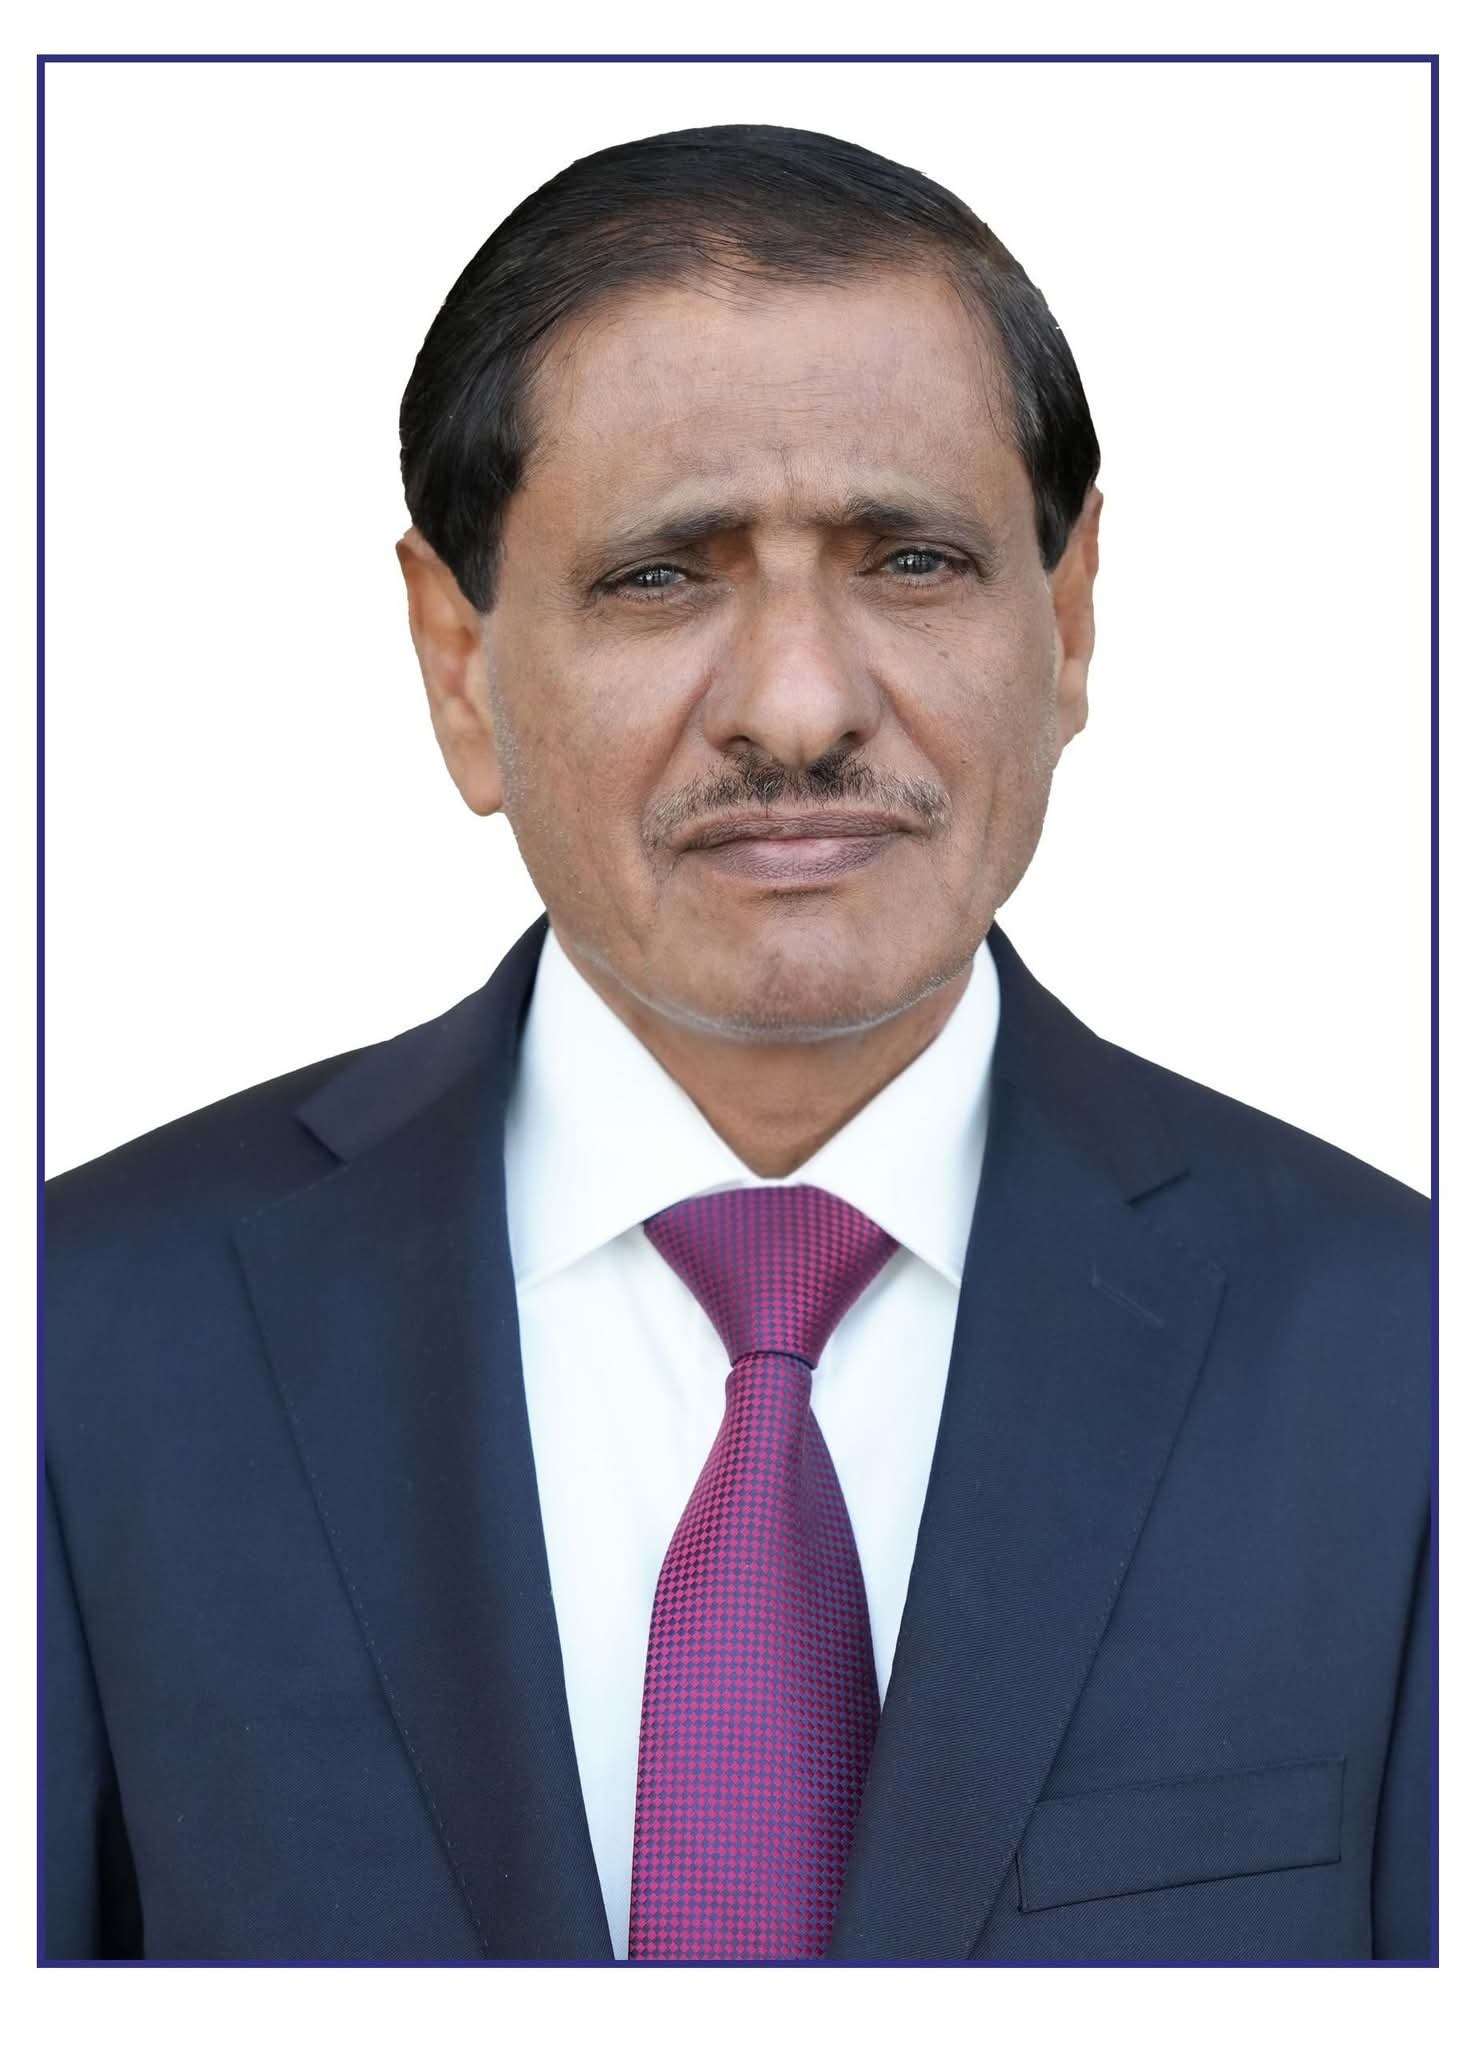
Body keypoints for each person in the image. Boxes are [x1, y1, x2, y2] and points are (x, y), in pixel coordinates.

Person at [42, 123, 1431, 1966]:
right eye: (660, 578)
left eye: (912, 560)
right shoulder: (83, 1340)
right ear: (459, 663)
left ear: (1068, 617)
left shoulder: (1403, 1355)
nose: (798, 706)